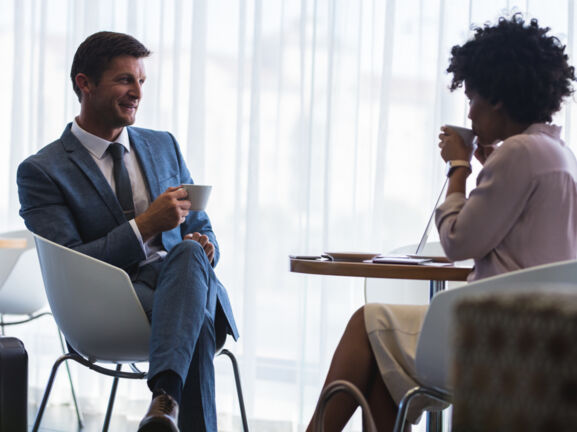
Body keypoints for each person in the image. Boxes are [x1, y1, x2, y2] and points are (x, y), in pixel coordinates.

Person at [306, 13, 577, 431]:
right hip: (543, 333)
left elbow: (457, 242)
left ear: (498, 98)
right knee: (381, 359)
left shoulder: (517, 153)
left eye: (472, 99)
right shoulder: (556, 154)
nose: (470, 115)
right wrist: (485, 170)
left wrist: (458, 166)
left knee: (366, 322)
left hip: (492, 331)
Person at [17, 31, 238, 432]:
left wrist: (206, 248)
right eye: (124, 80)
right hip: (110, 304)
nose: (137, 91)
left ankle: (164, 401)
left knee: (188, 257)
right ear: (85, 83)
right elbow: (73, 265)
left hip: (181, 283)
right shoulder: (42, 171)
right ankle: (166, 398)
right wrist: (146, 225)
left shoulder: (163, 145)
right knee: (197, 323)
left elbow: (200, 225)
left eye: (141, 81)